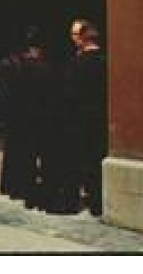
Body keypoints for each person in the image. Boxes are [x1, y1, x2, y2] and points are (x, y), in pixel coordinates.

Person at [0, 26, 54, 207]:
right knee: (30, 153)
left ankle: (11, 186)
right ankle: (27, 187)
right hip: (35, 115)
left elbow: (5, 92)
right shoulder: (44, 68)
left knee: (14, 151)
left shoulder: (12, 64)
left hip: (16, 114)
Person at [53, 19, 108, 216]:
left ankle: (70, 203)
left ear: (83, 39)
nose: (73, 39)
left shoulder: (75, 64)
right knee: (95, 161)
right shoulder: (105, 61)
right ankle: (97, 204)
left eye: (75, 36)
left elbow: (67, 93)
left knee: (73, 162)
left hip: (77, 119)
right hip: (99, 118)